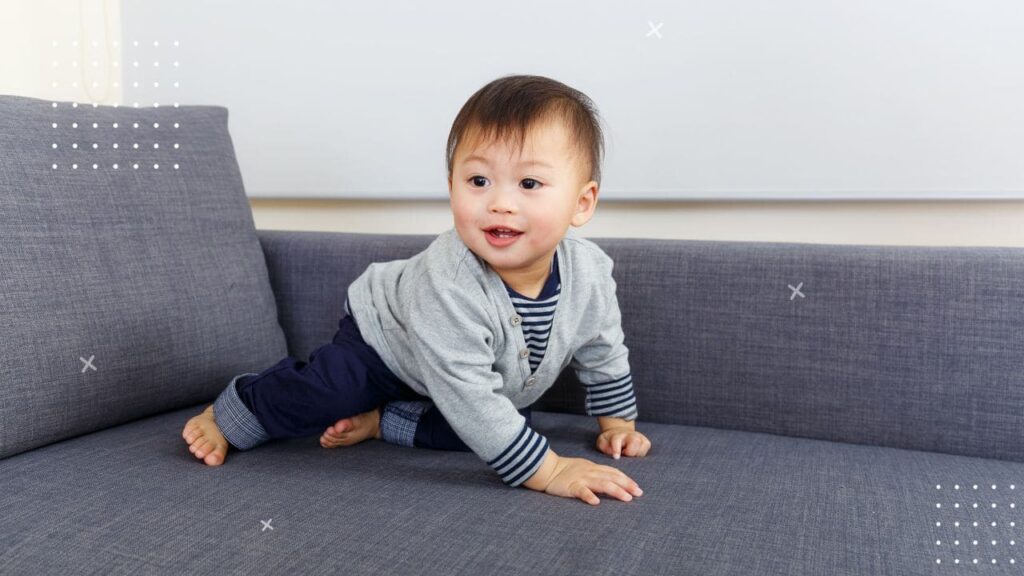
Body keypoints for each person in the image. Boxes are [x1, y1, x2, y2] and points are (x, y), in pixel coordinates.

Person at [182, 74, 651, 506]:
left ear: (581, 202)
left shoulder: (589, 273)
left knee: (511, 423)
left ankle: (384, 422)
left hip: (453, 380)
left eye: (529, 183)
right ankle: (234, 409)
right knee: (331, 392)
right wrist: (550, 470)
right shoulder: (449, 281)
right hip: (386, 339)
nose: (500, 203)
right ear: (452, 187)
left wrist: (617, 425)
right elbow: (470, 397)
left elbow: (602, 350)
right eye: (478, 180)